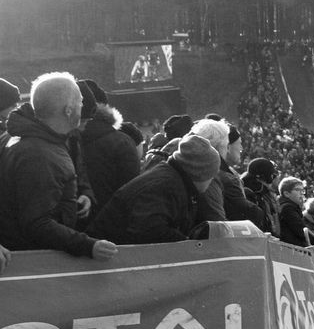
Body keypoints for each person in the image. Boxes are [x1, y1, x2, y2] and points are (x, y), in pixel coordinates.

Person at [0, 72, 117, 261]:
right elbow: (37, 224)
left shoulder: (22, 136)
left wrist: (80, 194)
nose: (82, 106)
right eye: (80, 102)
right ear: (68, 110)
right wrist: (88, 245)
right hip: (32, 262)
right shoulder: (39, 154)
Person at [88, 133, 223, 244]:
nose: (212, 180)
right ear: (200, 173)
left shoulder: (171, 177)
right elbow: (149, 230)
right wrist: (189, 245)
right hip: (106, 259)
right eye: (212, 175)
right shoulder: (166, 186)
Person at [278, 176, 310, 246]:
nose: (302, 193)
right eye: (298, 190)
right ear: (286, 193)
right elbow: (302, 232)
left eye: (302, 190)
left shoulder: (293, 207)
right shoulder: (287, 208)